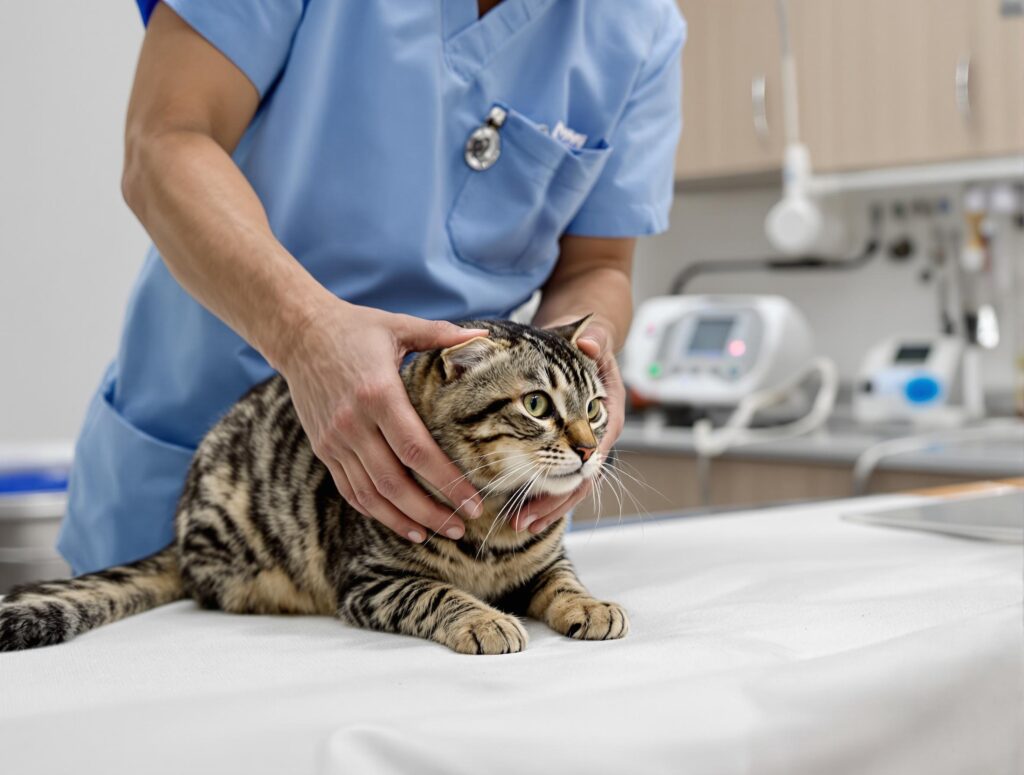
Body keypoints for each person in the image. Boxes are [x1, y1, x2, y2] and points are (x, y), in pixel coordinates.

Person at [59, 0, 685, 574]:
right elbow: (164, 142)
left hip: (444, 523)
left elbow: (595, 267)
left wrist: (580, 365)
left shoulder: (640, 27)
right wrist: (305, 335)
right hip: (228, 490)